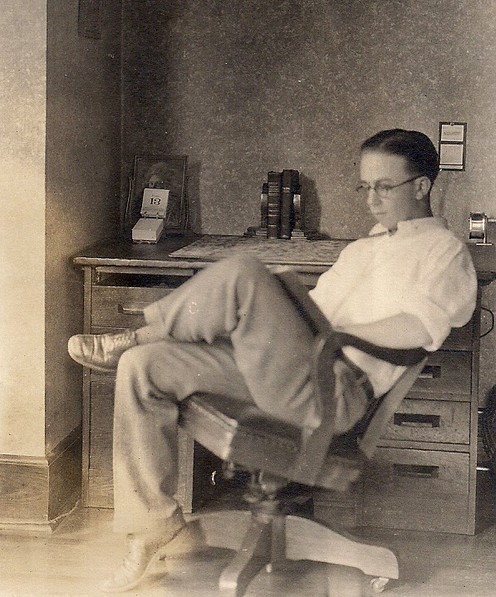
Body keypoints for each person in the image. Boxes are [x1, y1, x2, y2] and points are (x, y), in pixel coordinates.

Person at [68, 129, 477, 592]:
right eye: (365, 187)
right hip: (295, 370)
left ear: (421, 186)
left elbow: (420, 330)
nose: (372, 200)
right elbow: (316, 311)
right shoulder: (365, 249)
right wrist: (285, 314)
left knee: (245, 271)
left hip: (334, 393)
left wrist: (335, 335)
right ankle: (152, 525)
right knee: (145, 366)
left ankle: (133, 334)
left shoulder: (445, 253)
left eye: (385, 187)